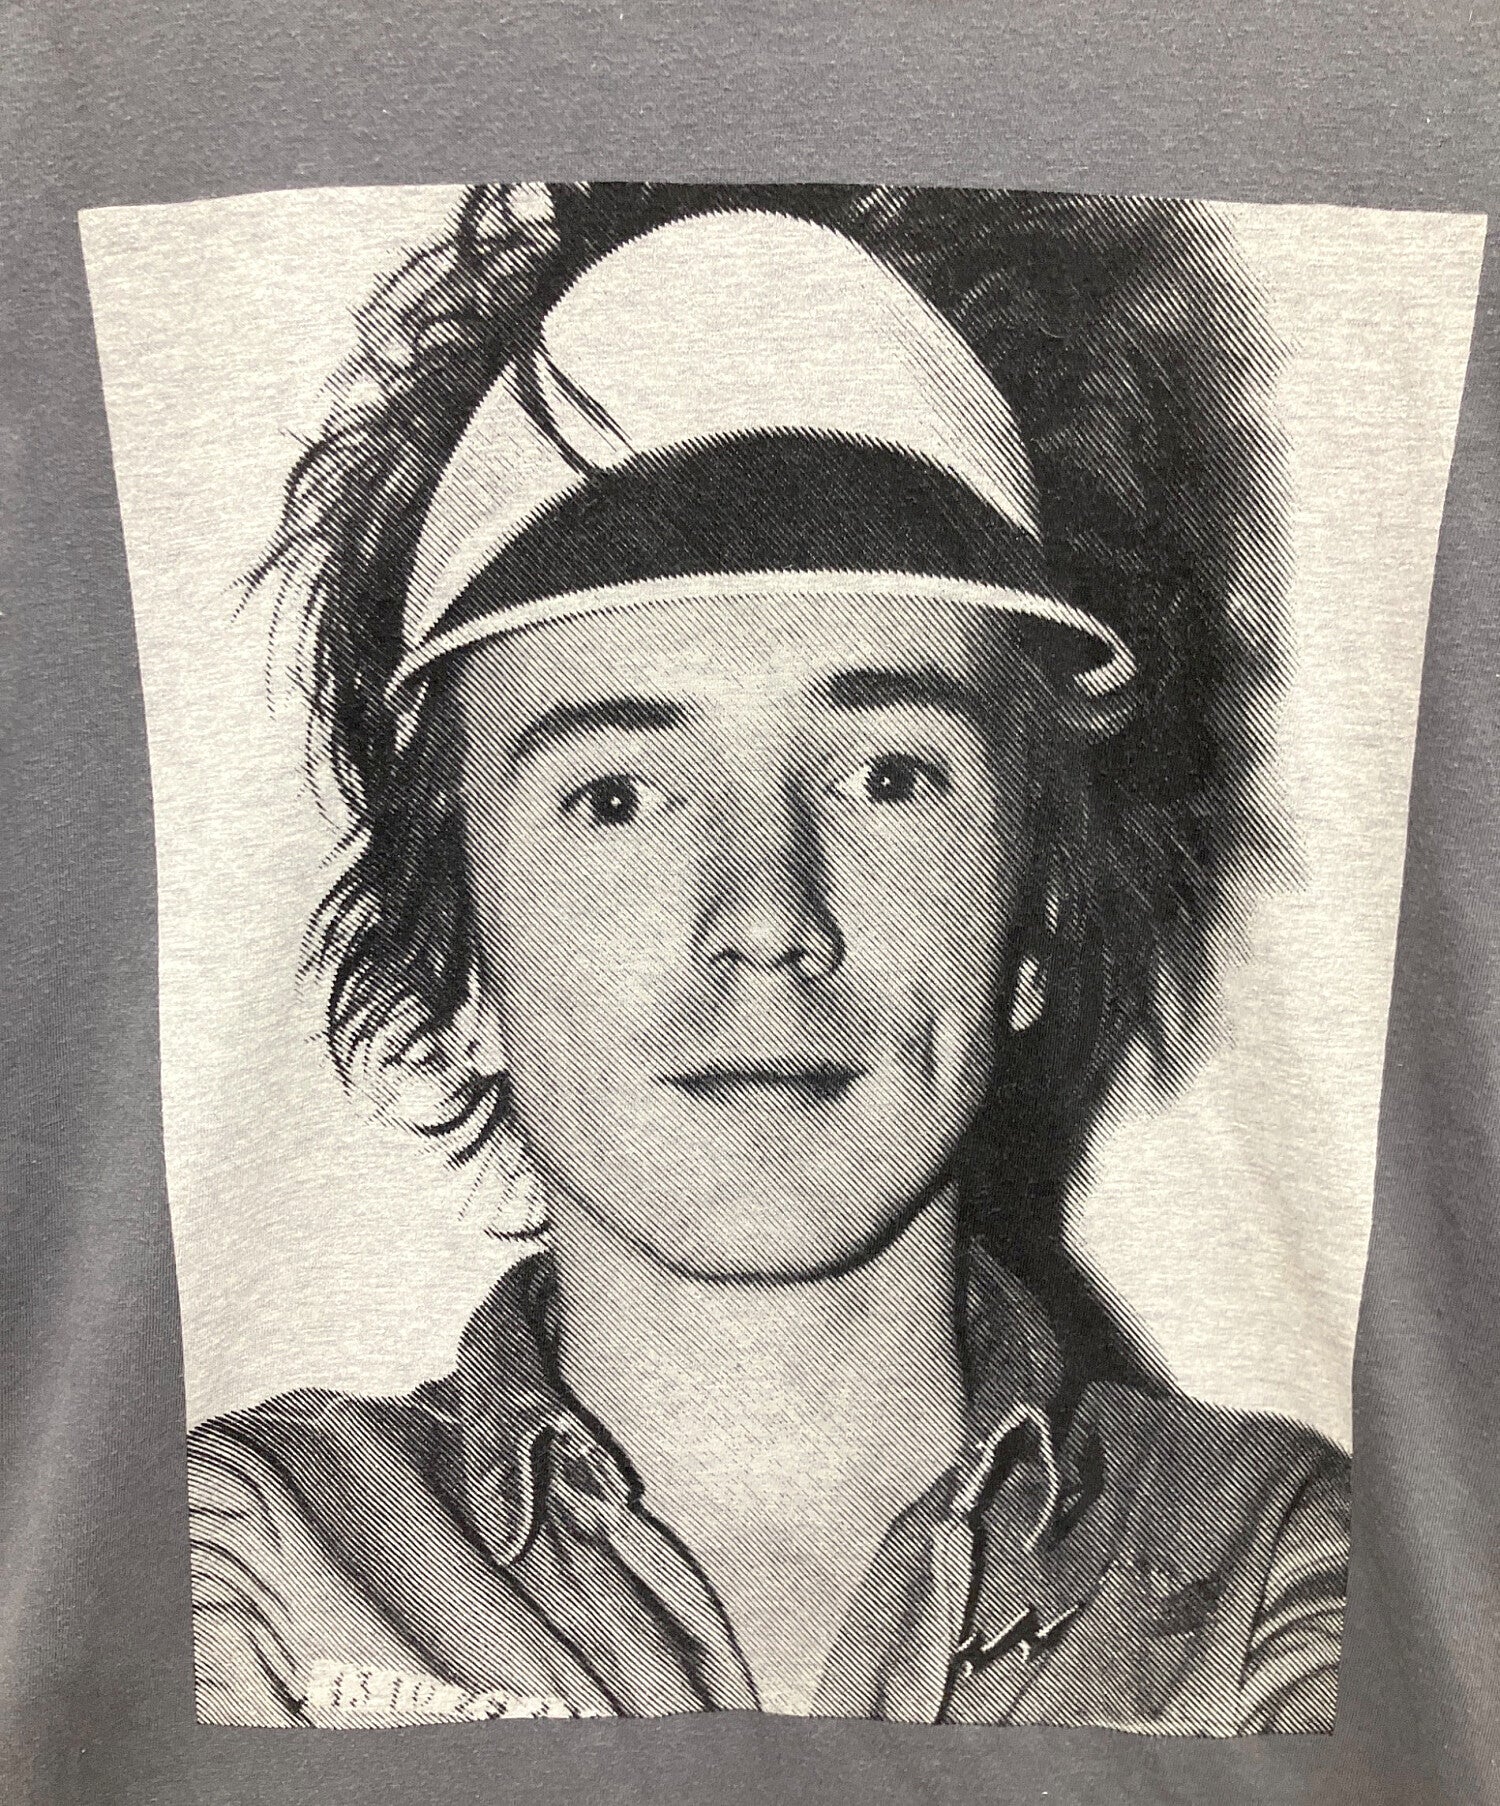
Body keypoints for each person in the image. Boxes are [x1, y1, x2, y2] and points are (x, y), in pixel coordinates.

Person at [187, 183, 1349, 1732]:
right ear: (459, 954)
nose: (766, 909)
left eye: (887, 774)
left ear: (1032, 915)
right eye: (618, 794)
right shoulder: (257, 1564)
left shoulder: (1276, 1577)